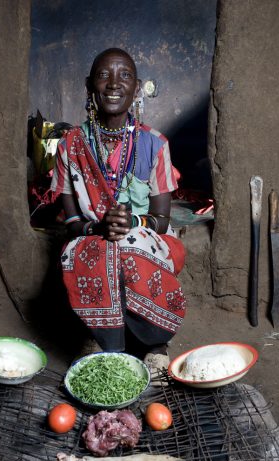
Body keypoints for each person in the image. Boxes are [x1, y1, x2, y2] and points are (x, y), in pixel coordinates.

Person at [48, 48, 186, 362]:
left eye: (124, 75)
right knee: (88, 250)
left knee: (130, 245)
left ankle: (154, 343)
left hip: (144, 237)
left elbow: (161, 220)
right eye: (103, 75)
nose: (113, 84)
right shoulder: (70, 145)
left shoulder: (155, 144)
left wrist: (132, 225)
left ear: (136, 88)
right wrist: (99, 226)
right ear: (89, 86)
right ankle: (100, 338)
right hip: (92, 234)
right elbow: (71, 225)